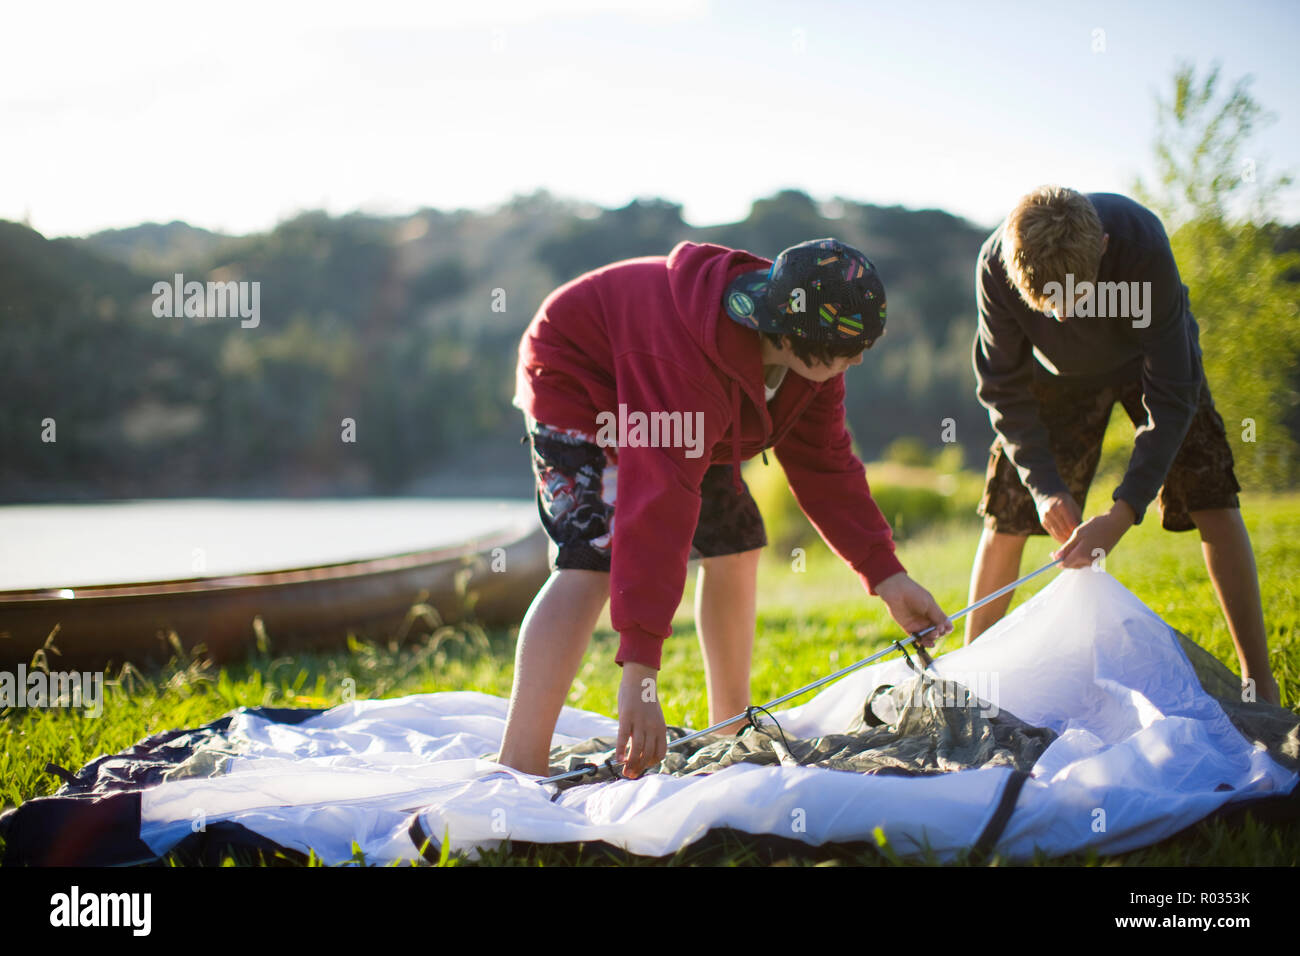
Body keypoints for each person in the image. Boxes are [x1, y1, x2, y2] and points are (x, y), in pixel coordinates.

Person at [500, 237, 953, 778]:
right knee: (592, 560)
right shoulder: (686, 365)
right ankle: (519, 767)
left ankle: (729, 731)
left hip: (689, 402)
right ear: (791, 335)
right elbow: (658, 506)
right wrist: (641, 675)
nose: (856, 360)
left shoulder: (816, 354)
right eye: (847, 350)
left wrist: (887, 575)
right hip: (578, 371)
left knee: (736, 542)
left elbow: (825, 466)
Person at [966, 185, 1280, 706]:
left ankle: (1257, 683)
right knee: (1009, 515)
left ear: (1105, 246)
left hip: (1147, 364)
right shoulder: (995, 267)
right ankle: (969, 683)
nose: (1063, 316)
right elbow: (1002, 387)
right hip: (1055, 381)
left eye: (1077, 298)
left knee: (1212, 495)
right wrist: (1045, 488)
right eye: (1047, 305)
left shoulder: (1142, 246)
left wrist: (1123, 510)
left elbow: (1174, 394)